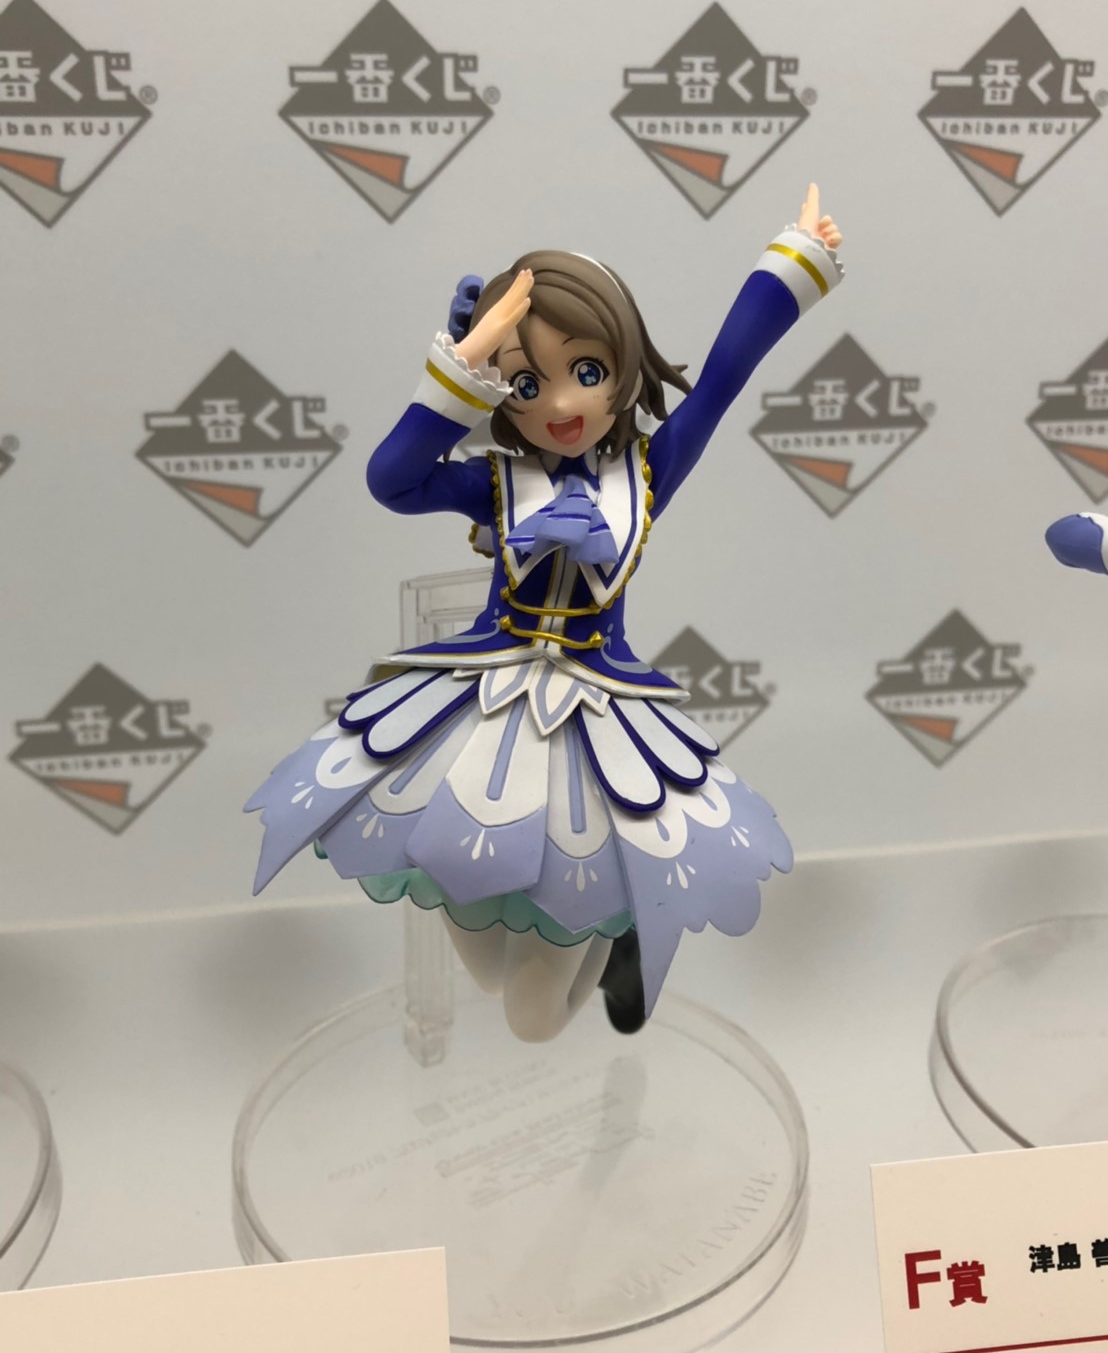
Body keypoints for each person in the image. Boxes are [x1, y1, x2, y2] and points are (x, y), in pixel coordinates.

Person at [247, 185, 844, 1042]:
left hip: (595, 719)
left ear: (623, 367)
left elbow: (721, 379)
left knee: (532, 1017)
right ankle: (613, 932)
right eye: (528, 383)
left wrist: (794, 262)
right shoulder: (496, 481)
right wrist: (463, 367)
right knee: (481, 956)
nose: (561, 406)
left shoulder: (647, 472)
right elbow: (391, 479)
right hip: (482, 705)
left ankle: (618, 936)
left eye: (587, 373)